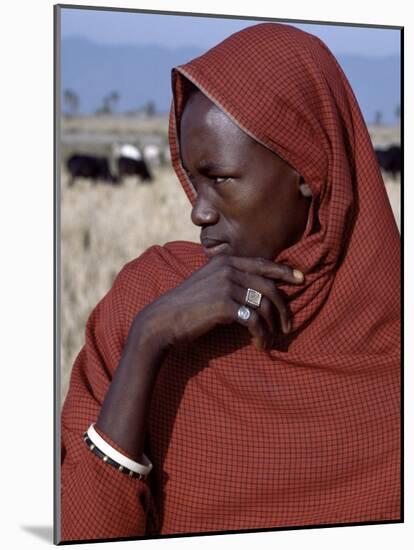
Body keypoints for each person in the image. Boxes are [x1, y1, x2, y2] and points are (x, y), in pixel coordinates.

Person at [60, 22, 400, 542]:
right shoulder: (147, 300)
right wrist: (148, 342)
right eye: (193, 183)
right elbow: (82, 529)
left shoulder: (394, 338)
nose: (197, 211)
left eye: (219, 180)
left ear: (307, 168)